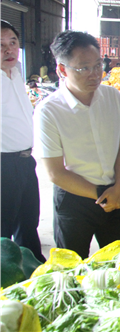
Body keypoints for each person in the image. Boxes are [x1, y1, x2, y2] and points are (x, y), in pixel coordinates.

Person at [33, 30, 120, 260]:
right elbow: (55, 173)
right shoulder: (49, 111)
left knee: (118, 266)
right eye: (84, 68)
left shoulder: (112, 97)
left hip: (115, 194)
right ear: (62, 69)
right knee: (72, 269)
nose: (95, 74)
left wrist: (118, 188)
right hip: (74, 200)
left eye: (98, 65)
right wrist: (102, 195)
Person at [1, 20, 45, 262]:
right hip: (4, 164)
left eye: (13, 42)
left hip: (25, 161)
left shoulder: (16, 73)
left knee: (28, 221)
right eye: (1, 45)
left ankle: (32, 266)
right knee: (3, 227)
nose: (9, 49)